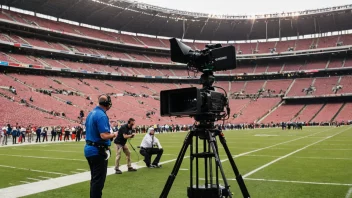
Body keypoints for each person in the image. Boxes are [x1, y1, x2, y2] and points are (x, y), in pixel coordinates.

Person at [84, 95, 117, 198]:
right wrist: (114, 134)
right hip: (97, 151)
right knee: (98, 182)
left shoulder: (91, 113)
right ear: (107, 103)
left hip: (90, 149)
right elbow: (104, 135)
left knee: (94, 179)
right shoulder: (101, 115)